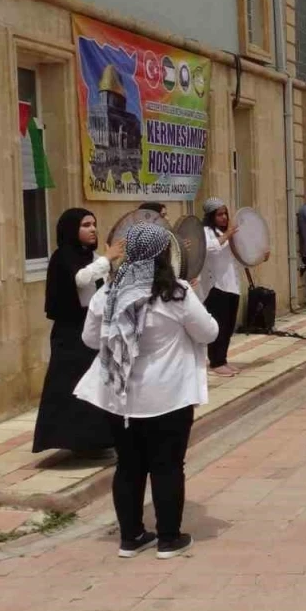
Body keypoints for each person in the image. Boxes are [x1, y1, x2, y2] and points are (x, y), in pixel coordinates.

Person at [74, 222, 218, 559]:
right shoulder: (176, 293)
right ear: (164, 254)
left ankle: (131, 537)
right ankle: (169, 538)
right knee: (168, 466)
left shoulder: (108, 293)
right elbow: (209, 332)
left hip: (120, 399)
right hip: (168, 397)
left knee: (128, 466)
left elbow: (90, 339)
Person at [33, 209, 120, 455]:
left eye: (94, 224)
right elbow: (80, 279)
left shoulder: (92, 257)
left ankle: (96, 441)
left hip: (92, 328)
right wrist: (106, 259)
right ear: (72, 229)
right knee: (69, 385)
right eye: (85, 225)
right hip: (70, 332)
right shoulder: (62, 257)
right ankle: (71, 441)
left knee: (95, 385)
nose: (93, 229)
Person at [196, 198, 242, 377]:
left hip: (232, 285)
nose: (224, 218)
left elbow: (239, 253)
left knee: (228, 326)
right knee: (218, 326)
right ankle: (216, 362)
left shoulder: (226, 233)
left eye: (225, 214)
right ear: (211, 216)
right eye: (219, 214)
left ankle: (223, 359)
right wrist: (228, 234)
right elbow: (210, 249)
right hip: (216, 286)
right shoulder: (205, 232)